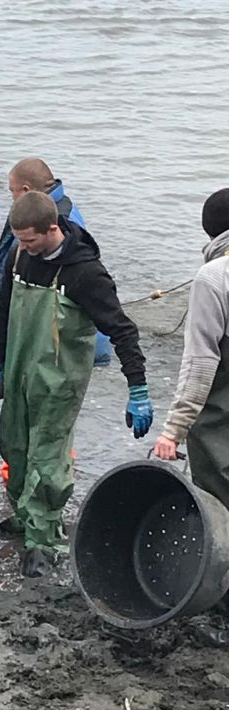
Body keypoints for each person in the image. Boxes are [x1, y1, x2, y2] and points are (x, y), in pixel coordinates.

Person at [0, 192, 152, 577]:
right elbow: (3, 311)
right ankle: (26, 515)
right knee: (14, 445)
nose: (24, 247)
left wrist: (138, 388)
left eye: (30, 240)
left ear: (52, 229)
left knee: (47, 459)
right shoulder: (18, 256)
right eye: (19, 240)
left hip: (59, 382)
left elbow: (123, 331)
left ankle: (44, 540)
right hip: (19, 370)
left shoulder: (86, 274)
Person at [154, 188, 229, 645]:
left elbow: (201, 364)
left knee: (220, 508)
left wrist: (173, 430)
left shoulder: (213, 277)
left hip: (220, 423)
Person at [0, 157, 111, 371]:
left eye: (12, 192)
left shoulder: (61, 223)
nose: (12, 198)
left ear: (25, 190)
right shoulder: (27, 215)